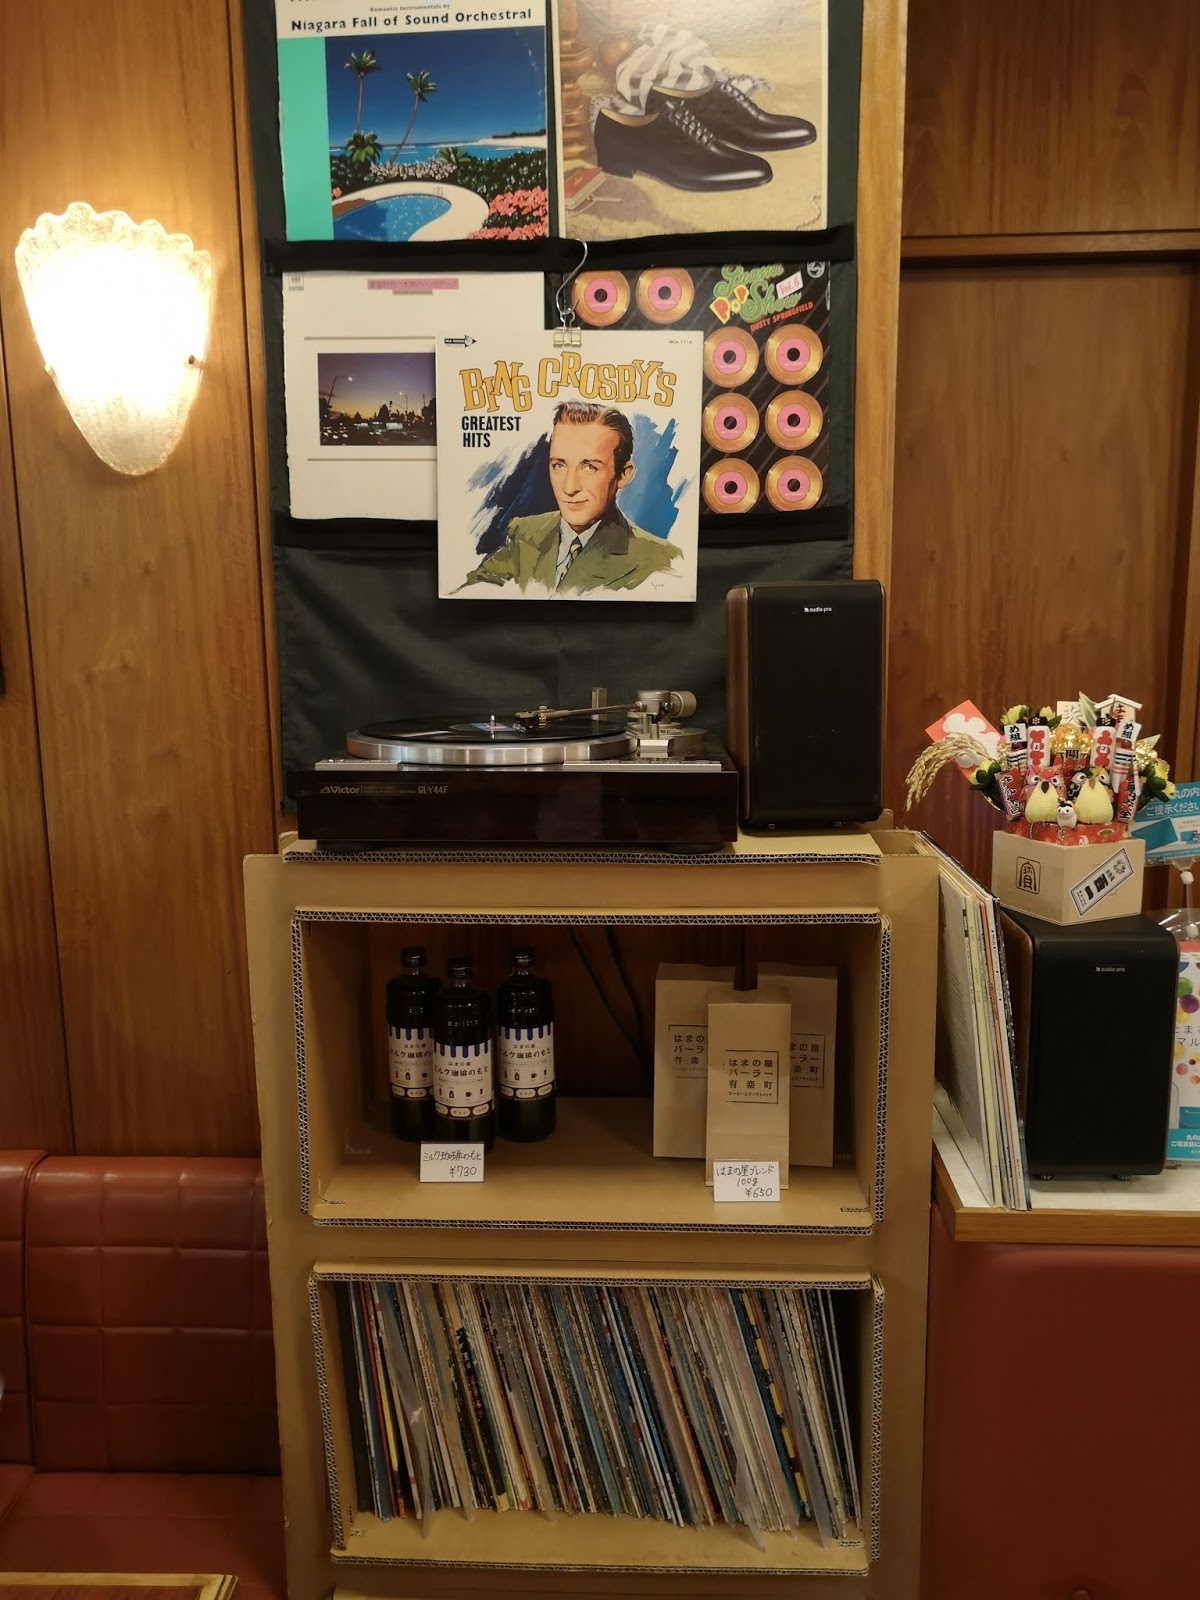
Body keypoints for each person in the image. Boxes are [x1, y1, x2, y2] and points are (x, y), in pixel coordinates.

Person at [464, 400, 681, 596]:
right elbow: (470, 596)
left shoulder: (661, 561)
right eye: (559, 465)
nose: (569, 487)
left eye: (589, 467)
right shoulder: (524, 533)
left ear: (623, 474)